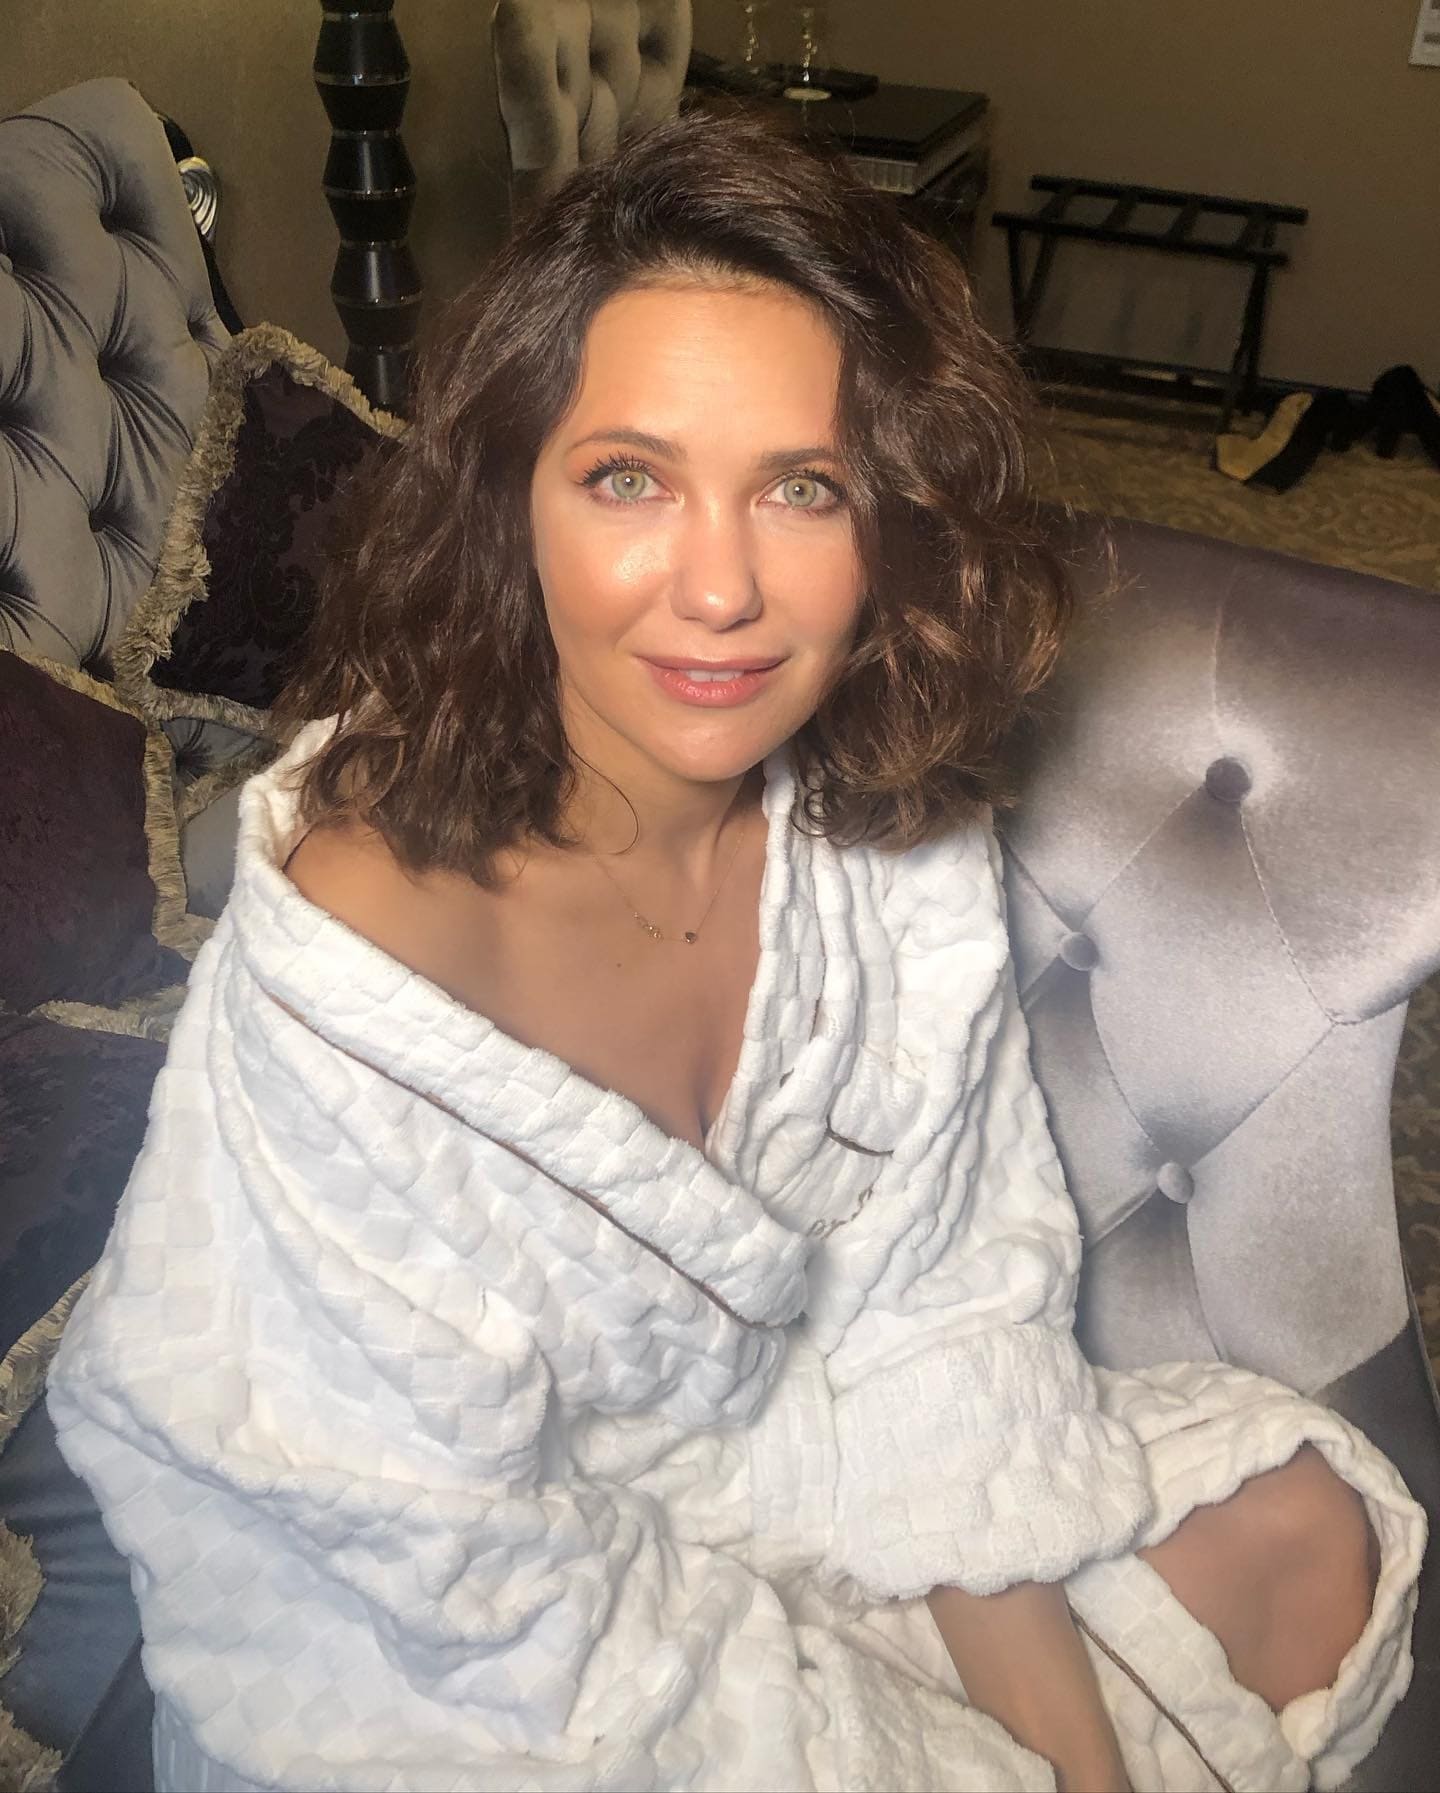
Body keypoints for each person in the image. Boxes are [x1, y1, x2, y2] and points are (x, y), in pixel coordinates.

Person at [49, 114, 1423, 1793]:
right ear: (513, 500)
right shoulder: (367, 952)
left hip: (794, 1459)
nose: (720, 590)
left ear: (887, 523)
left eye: (801, 487)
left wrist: (1077, 1766)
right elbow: (458, 1594)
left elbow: (934, 1310)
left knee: (1312, 1527)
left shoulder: (879, 826)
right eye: (629, 476)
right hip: (460, 1633)